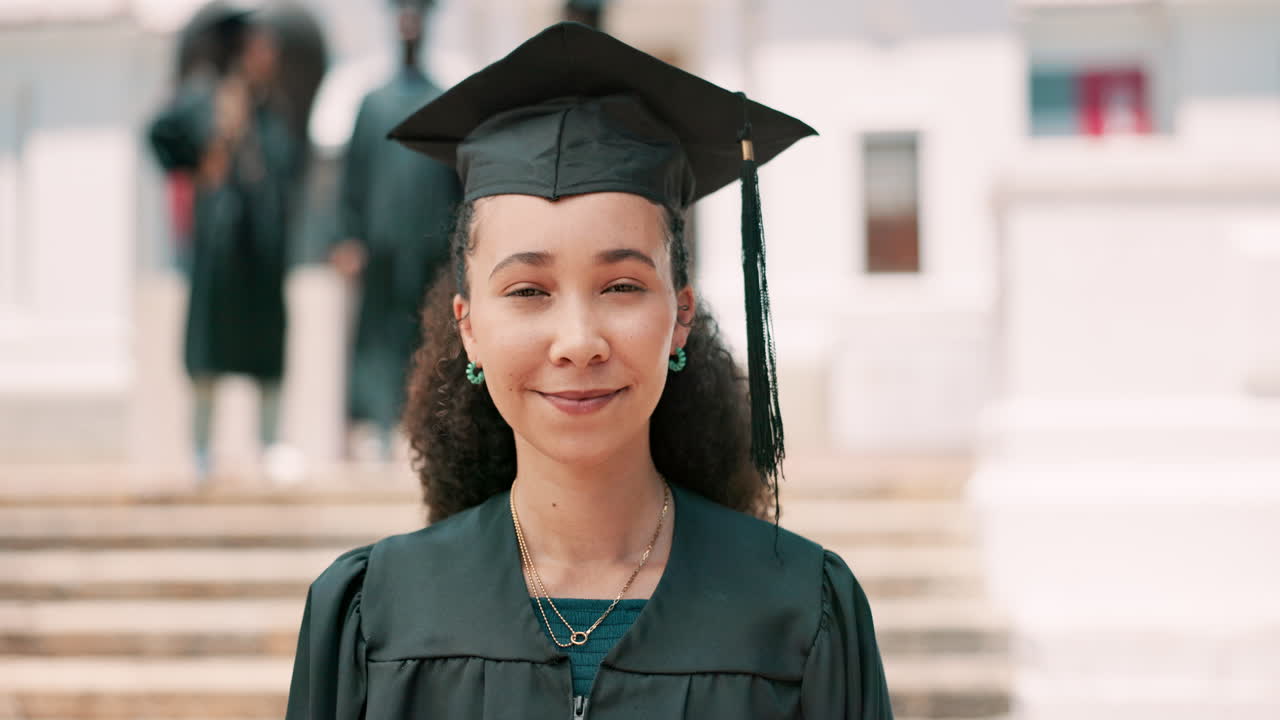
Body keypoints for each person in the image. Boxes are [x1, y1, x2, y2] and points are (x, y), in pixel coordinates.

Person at [285, 22, 894, 719]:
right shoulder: (373, 618)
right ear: (469, 327)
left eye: (622, 286)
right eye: (527, 291)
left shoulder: (799, 614)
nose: (578, 342)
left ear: (681, 316)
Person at [147, 12, 301, 482]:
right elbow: (160, 132)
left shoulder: (269, 106)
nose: (269, 56)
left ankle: (270, 445)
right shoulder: (204, 97)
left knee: (267, 344)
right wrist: (200, 160)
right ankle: (200, 451)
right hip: (217, 249)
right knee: (209, 349)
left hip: (262, 250)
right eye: (261, 47)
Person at [330, 0, 462, 460]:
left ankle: (424, 425)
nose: (409, 22)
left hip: (431, 248)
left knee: (429, 336)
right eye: (403, 13)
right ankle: (377, 425)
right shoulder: (372, 104)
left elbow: (458, 184)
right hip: (379, 247)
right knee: (376, 338)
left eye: (417, 14)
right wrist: (346, 237)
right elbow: (352, 178)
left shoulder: (445, 102)